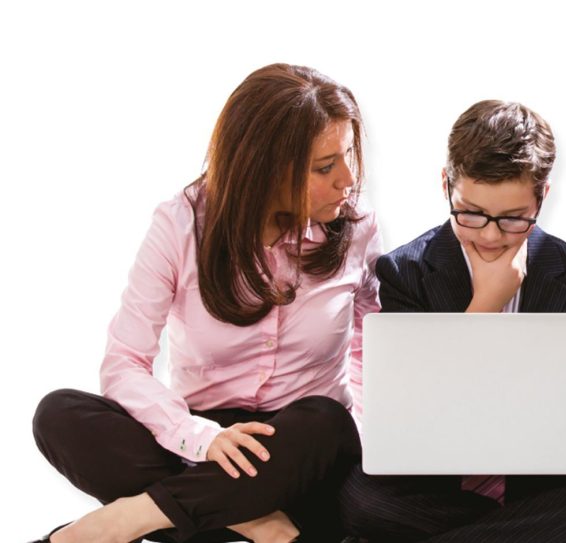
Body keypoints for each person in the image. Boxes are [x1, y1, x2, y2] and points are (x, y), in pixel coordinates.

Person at [31, 63, 380, 543]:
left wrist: (378, 454)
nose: (348, 179)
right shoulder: (179, 224)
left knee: (327, 421)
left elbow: (375, 355)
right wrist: (200, 436)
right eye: (325, 166)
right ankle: (258, 524)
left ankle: (127, 521)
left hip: (301, 452)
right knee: (60, 415)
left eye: (347, 156)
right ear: (264, 166)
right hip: (206, 446)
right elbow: (125, 362)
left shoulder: (358, 230)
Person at [339, 100, 566, 542]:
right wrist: (485, 302)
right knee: (359, 498)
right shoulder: (404, 271)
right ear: (446, 185)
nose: (488, 234)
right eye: (471, 213)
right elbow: (418, 398)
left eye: (512, 219)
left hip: (540, 480)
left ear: (541, 197)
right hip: (439, 481)